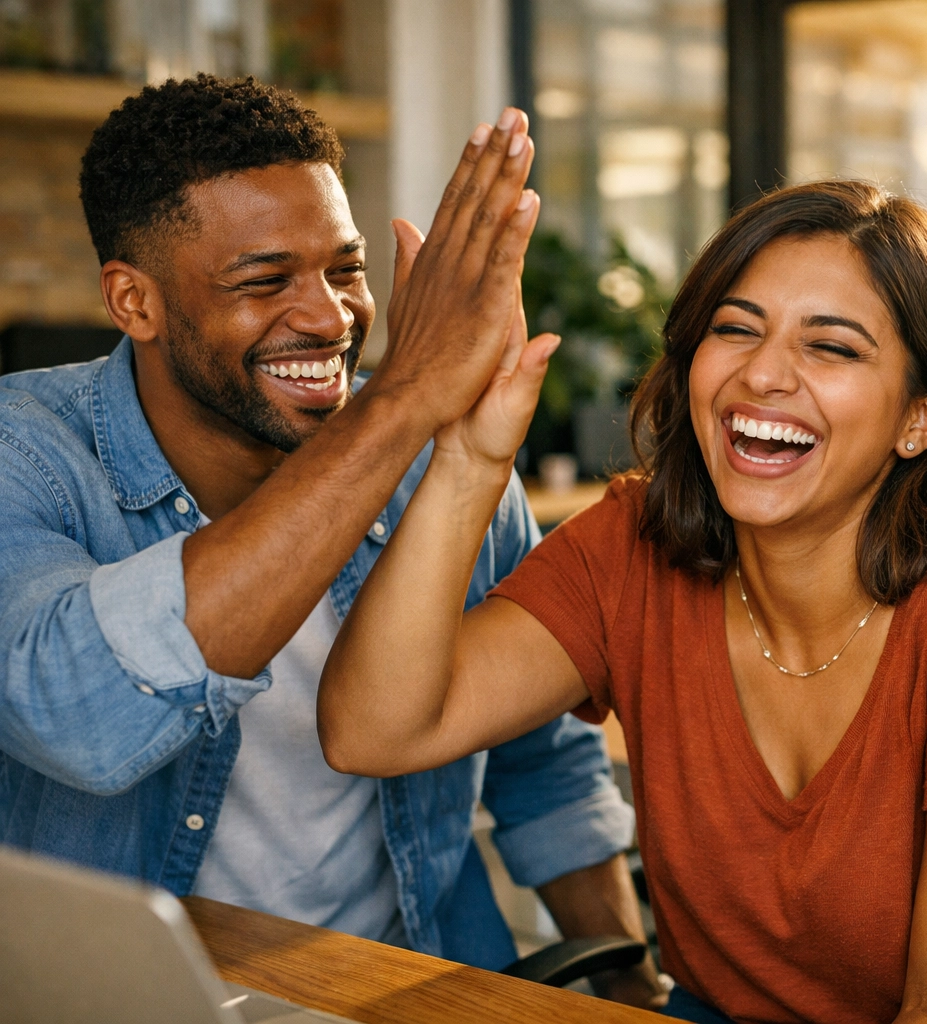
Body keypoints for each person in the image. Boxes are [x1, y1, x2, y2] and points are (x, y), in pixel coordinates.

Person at [318, 179, 927, 1024]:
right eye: (734, 329)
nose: (762, 374)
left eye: (832, 347)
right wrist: (468, 456)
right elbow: (375, 729)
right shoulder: (634, 546)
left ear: (921, 418)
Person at [0, 75, 665, 1006]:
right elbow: (74, 712)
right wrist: (402, 401)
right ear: (133, 301)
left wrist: (632, 989)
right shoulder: (26, 456)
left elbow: (540, 761)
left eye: (346, 270)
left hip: (406, 986)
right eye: (263, 281)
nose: (330, 317)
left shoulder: (443, 465)